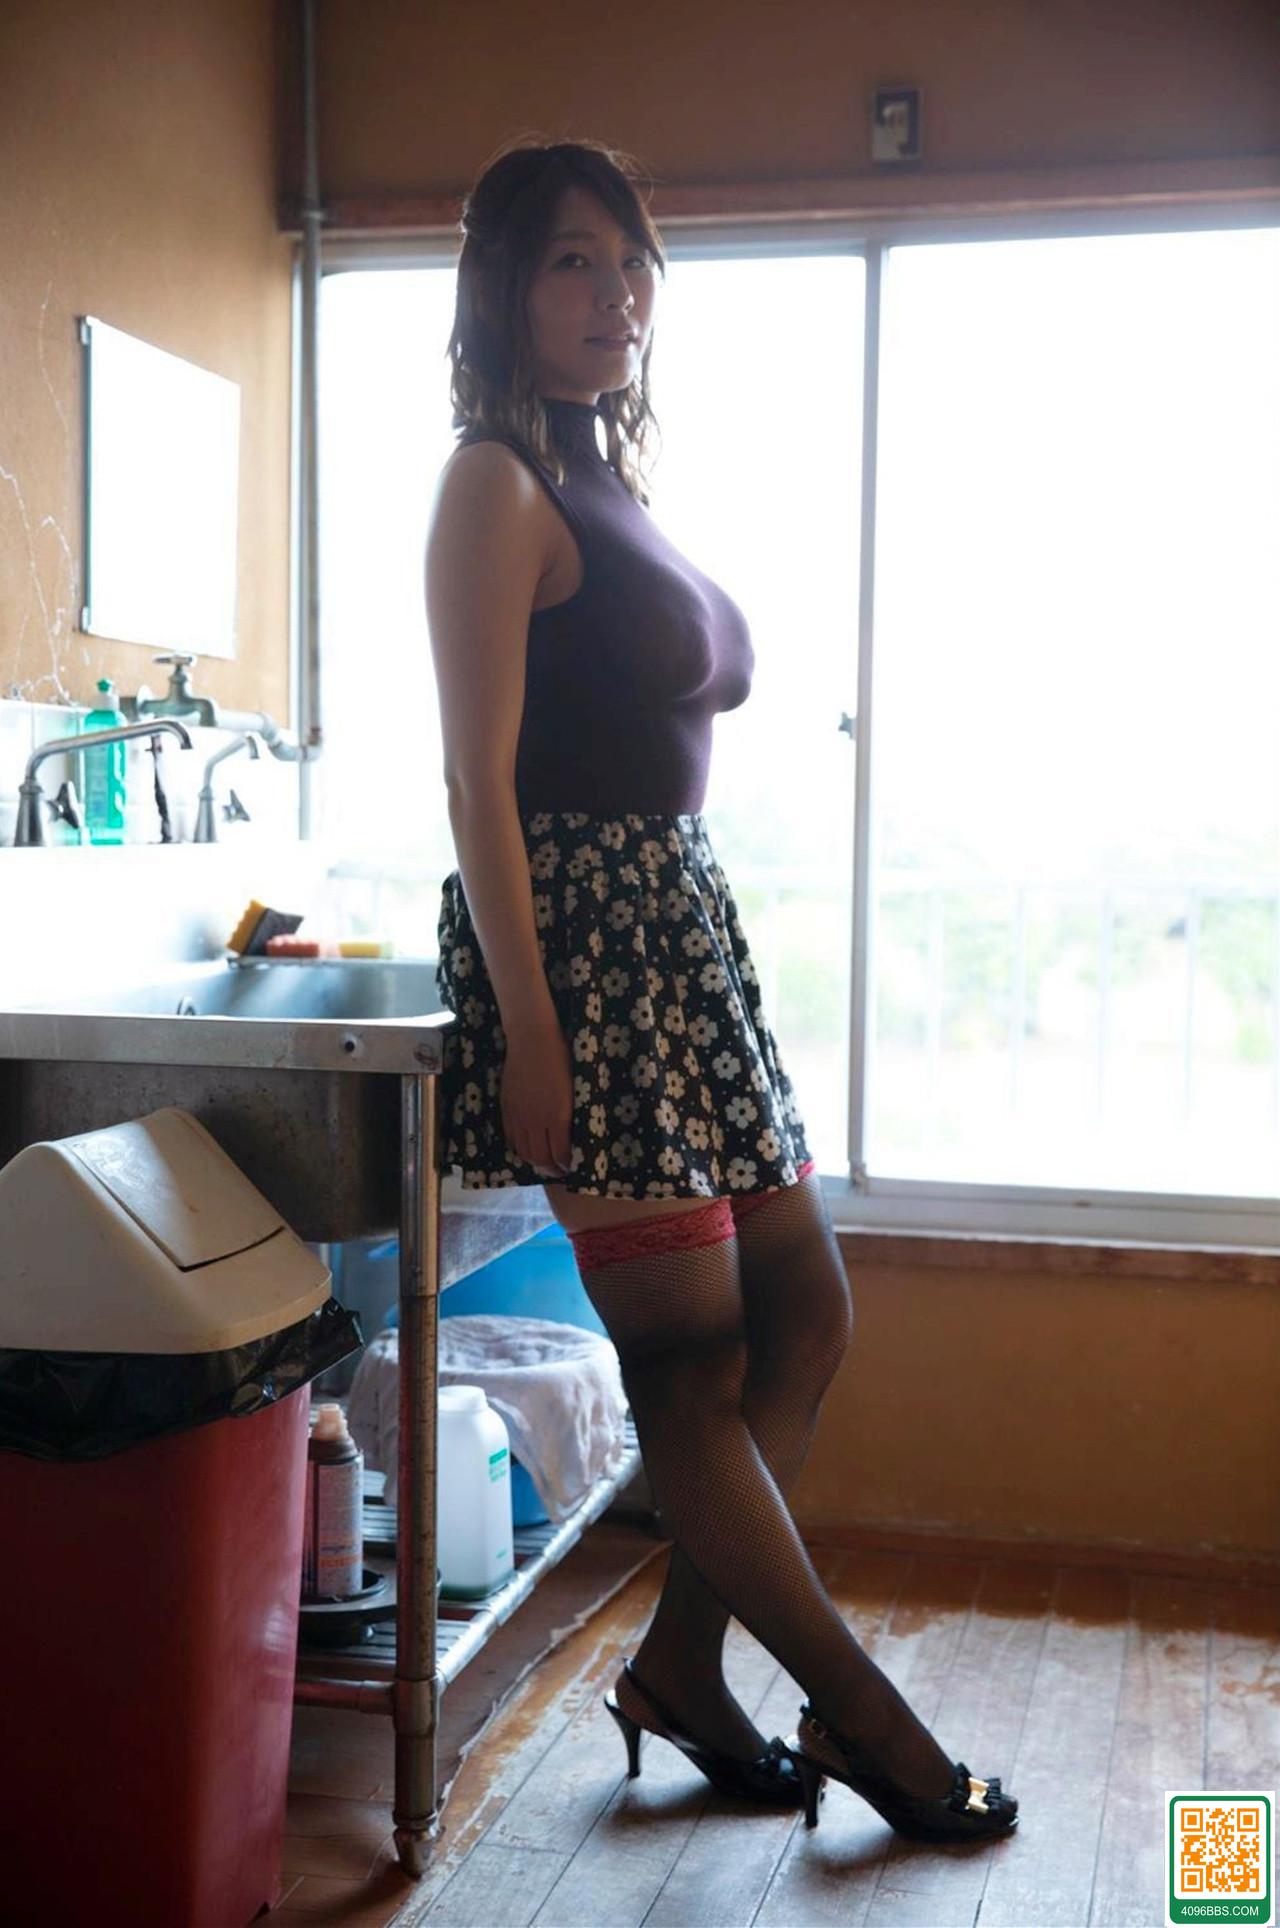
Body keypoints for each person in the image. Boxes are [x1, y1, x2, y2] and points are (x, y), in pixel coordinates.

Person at [424, 136, 1019, 1841]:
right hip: (583, 955)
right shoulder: (492, 483)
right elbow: (476, 782)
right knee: (686, 1368)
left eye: (630, 264)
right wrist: (534, 1026)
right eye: (573, 261)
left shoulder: (599, 472)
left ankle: (684, 1669)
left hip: (681, 941)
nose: (616, 294)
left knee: (805, 1312)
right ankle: (869, 1718)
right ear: (503, 288)